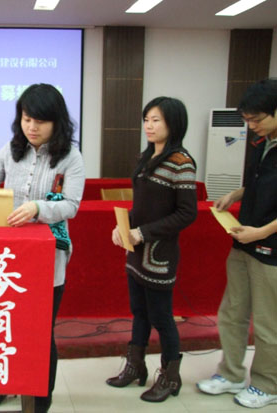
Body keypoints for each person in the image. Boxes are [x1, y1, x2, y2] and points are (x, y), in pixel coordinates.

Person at [0, 83, 85, 413]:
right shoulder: (11, 149)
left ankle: (39, 398)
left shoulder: (70, 157)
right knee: (5, 324)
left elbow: (72, 205)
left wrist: (37, 208)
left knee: (40, 330)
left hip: (48, 257)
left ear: (57, 122)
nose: (31, 127)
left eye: (40, 121)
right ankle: (4, 384)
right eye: (26, 119)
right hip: (8, 257)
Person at [106, 96, 197, 402]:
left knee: (161, 317)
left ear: (174, 123)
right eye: (146, 119)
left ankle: (170, 377)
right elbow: (143, 207)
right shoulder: (146, 158)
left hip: (160, 254)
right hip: (136, 251)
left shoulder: (182, 162)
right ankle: (136, 366)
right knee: (139, 311)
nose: (149, 125)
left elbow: (187, 213)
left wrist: (142, 232)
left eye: (156, 120)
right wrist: (123, 227)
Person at [196, 78, 277, 409]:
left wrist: (262, 233)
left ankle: (267, 384)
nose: (251, 125)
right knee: (232, 313)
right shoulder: (262, 143)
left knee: (268, 323)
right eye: (247, 120)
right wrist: (235, 194)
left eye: (257, 119)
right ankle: (230, 374)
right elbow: (260, 184)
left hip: (270, 251)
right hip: (243, 242)